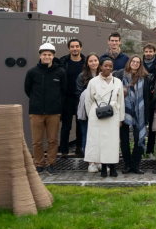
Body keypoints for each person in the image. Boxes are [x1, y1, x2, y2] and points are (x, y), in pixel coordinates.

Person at [25, 43, 68, 174]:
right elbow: (28, 90)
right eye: (44, 54)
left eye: (49, 55)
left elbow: (63, 91)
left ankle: (51, 164)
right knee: (37, 141)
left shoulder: (60, 72)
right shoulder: (32, 72)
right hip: (36, 112)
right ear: (40, 55)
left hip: (53, 112)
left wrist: (56, 105)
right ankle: (38, 164)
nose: (47, 57)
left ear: (53, 56)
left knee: (53, 140)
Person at [83, 59, 125, 178]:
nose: (108, 68)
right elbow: (88, 100)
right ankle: (103, 166)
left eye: (110, 66)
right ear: (101, 67)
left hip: (113, 114)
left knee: (112, 142)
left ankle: (112, 167)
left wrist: (120, 118)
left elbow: (120, 100)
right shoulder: (93, 82)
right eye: (105, 66)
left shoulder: (117, 82)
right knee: (99, 142)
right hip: (97, 114)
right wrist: (91, 115)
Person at [114, 55, 152, 174]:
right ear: (129, 62)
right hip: (123, 111)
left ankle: (136, 165)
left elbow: (147, 97)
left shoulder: (145, 77)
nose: (135, 64)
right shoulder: (120, 75)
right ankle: (127, 165)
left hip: (139, 112)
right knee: (124, 140)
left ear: (140, 64)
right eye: (133, 61)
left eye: (137, 62)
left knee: (139, 138)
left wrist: (145, 114)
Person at [58, 38, 86, 158]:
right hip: (67, 98)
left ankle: (79, 148)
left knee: (80, 124)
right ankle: (64, 150)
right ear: (69, 48)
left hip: (81, 98)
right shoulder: (63, 62)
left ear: (80, 48)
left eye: (77, 46)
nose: (75, 49)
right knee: (66, 126)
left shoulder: (86, 62)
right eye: (72, 47)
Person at [76, 52, 100, 170]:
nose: (93, 63)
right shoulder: (82, 76)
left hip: (101, 111)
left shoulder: (103, 75)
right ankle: (90, 163)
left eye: (95, 60)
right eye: (91, 61)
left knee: (99, 137)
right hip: (86, 111)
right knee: (87, 136)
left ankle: (99, 160)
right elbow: (78, 93)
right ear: (87, 63)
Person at [142, 43, 156, 160]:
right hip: (141, 100)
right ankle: (140, 149)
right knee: (140, 126)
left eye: (150, 51)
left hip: (154, 100)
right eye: (146, 51)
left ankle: (150, 151)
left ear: (154, 52)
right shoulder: (139, 64)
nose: (148, 54)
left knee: (153, 127)